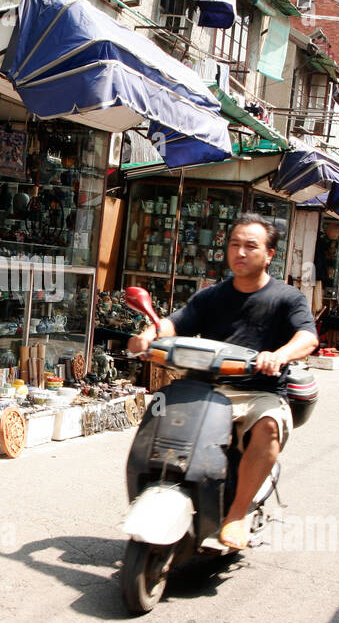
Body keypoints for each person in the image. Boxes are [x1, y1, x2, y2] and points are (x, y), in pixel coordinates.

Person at [128, 214, 319, 550]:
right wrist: (148, 334)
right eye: (234, 245)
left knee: (269, 427)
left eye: (250, 246)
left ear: (269, 254)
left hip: (258, 390)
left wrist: (279, 354)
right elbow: (175, 323)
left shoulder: (288, 298)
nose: (240, 253)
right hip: (205, 387)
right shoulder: (211, 295)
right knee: (160, 416)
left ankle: (237, 514)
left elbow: (307, 337)